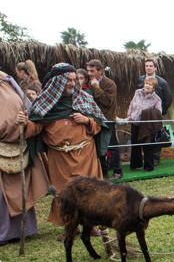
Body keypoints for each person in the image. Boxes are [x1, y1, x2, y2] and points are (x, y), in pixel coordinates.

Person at [18, 63, 110, 226]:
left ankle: (93, 224)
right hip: (59, 158)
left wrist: (87, 120)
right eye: (68, 80)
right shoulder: (44, 103)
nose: (72, 83)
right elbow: (36, 127)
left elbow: (99, 125)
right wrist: (25, 123)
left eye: (74, 80)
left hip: (86, 155)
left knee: (92, 190)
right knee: (64, 192)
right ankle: (69, 225)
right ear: (57, 82)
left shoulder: (84, 99)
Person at [0, 71, 49, 245]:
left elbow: (23, 117)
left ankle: (14, 231)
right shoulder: (10, 85)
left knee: (13, 192)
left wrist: (24, 122)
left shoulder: (7, 88)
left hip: (13, 147)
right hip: (9, 147)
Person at [86, 59, 121, 180]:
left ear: (100, 71)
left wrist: (96, 88)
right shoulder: (90, 82)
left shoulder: (109, 84)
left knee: (111, 146)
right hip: (94, 120)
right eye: (88, 70)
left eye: (92, 71)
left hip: (107, 120)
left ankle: (118, 171)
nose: (89, 73)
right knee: (97, 147)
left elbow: (108, 102)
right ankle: (103, 172)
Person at [136, 58, 172, 166]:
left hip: (156, 115)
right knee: (145, 135)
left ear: (155, 67)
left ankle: (156, 158)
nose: (148, 67)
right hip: (143, 116)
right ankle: (147, 158)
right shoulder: (140, 80)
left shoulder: (162, 82)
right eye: (146, 66)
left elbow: (168, 99)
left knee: (156, 134)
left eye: (151, 66)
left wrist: (160, 112)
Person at [128, 77, 162, 172]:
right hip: (135, 122)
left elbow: (158, 113)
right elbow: (131, 104)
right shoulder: (137, 92)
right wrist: (129, 116)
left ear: (154, 87)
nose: (147, 85)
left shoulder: (157, 99)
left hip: (146, 126)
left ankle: (148, 167)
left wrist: (148, 113)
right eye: (146, 83)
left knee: (147, 145)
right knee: (134, 144)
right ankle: (136, 164)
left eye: (150, 84)